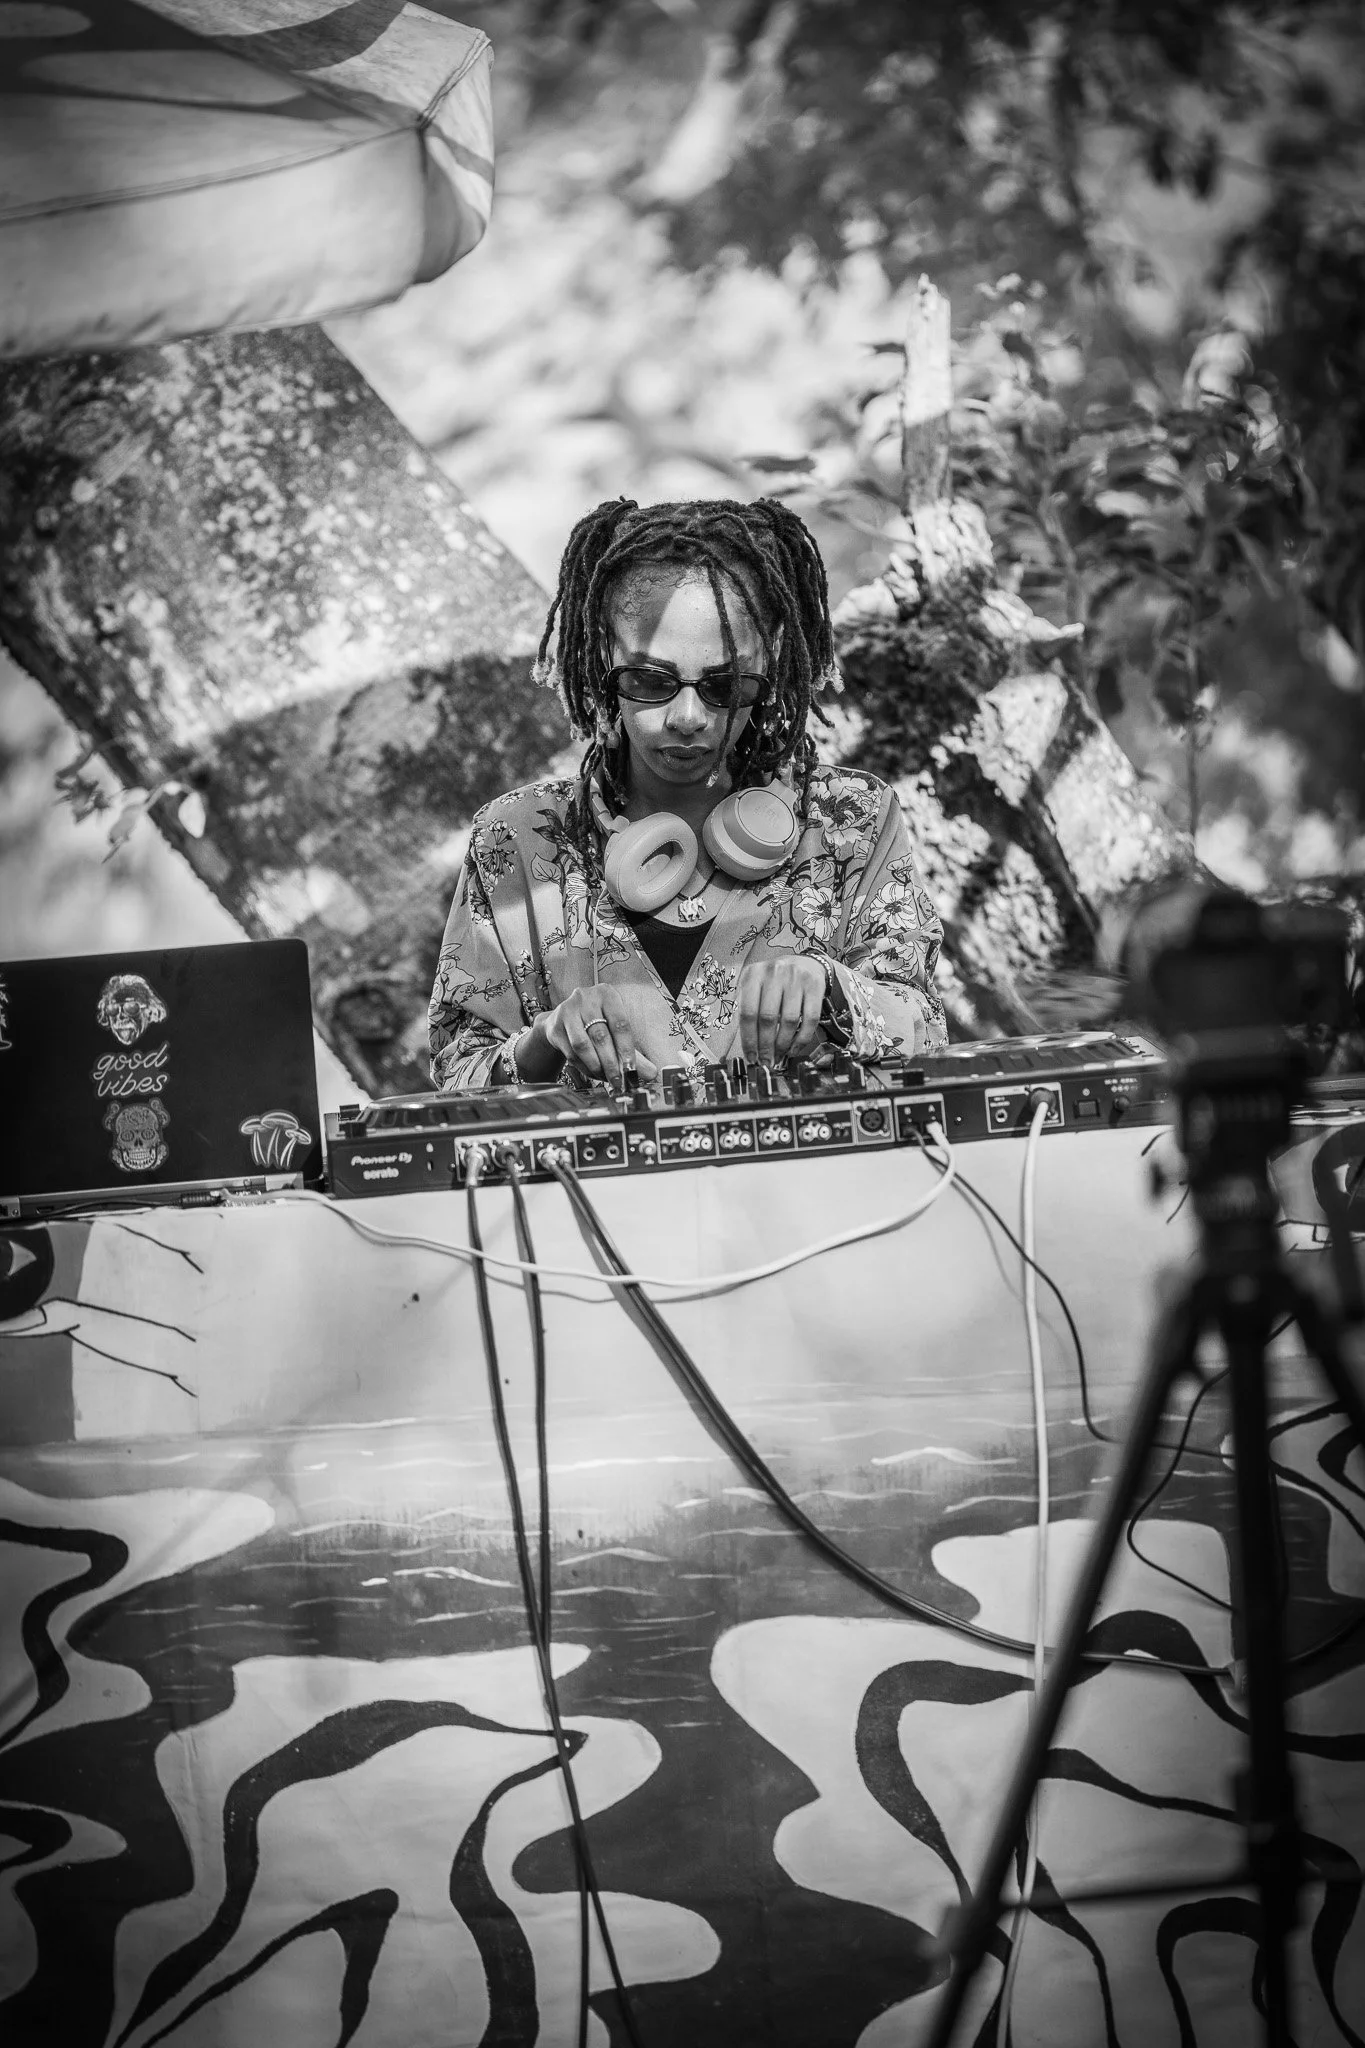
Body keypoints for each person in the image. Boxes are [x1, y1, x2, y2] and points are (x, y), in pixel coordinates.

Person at [428, 497, 947, 1091]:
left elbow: (926, 1030)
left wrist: (834, 992)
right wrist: (544, 1042)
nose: (688, 717)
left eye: (726, 683)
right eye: (651, 681)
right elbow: (457, 1070)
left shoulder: (851, 821)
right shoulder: (515, 838)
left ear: (773, 656)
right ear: (601, 654)